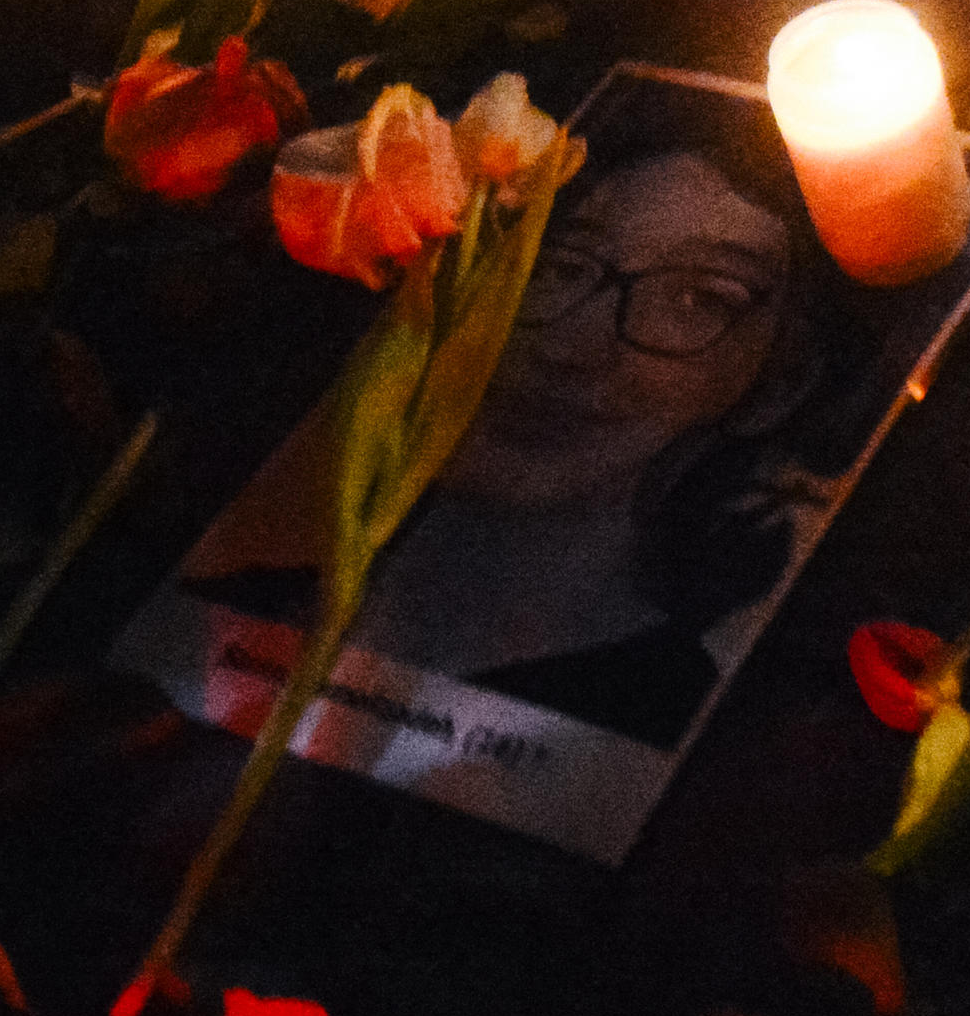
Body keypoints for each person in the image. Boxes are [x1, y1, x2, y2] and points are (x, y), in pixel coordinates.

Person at [176, 110, 841, 743]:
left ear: (780, 386)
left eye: (699, 297)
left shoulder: (677, 719)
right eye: (558, 264)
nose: (571, 345)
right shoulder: (211, 622)